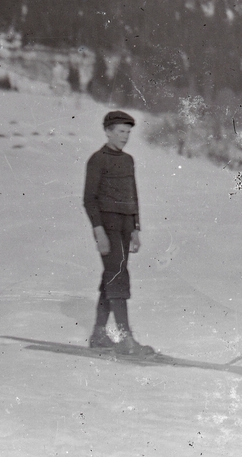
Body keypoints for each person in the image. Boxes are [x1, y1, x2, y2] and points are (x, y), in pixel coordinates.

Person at [83, 110, 154, 355]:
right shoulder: (97, 159)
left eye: (128, 132)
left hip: (125, 227)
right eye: (120, 132)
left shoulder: (128, 160)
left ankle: (99, 334)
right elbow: (89, 199)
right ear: (107, 132)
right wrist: (98, 232)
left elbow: (132, 195)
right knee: (118, 276)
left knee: (111, 277)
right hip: (107, 226)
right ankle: (126, 339)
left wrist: (135, 228)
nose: (125, 137)